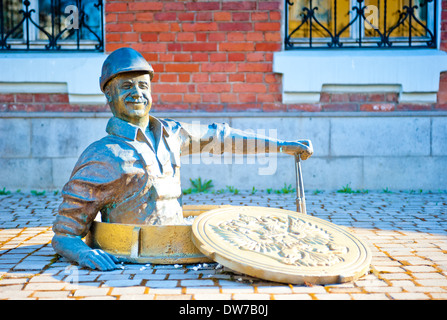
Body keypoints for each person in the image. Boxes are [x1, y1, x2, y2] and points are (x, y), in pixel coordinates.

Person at [52, 48, 313, 271]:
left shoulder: (173, 133)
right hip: (133, 253)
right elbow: (65, 234)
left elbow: (221, 137)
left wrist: (280, 146)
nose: (137, 94)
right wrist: (83, 253)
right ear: (108, 95)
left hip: (182, 245)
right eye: (126, 87)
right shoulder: (102, 154)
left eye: (143, 85)